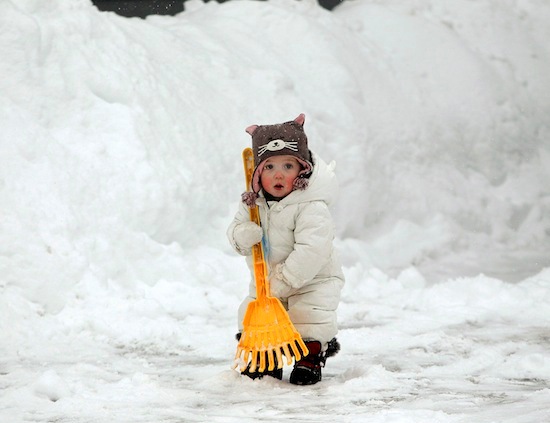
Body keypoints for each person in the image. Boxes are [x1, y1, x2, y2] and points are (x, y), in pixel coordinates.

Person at [227, 113, 345, 385]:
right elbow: (234, 232)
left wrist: (285, 280)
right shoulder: (252, 203)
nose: (278, 174)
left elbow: (312, 251)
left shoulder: (311, 206)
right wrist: (243, 235)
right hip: (266, 279)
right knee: (252, 315)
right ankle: (266, 356)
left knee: (310, 317)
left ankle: (310, 357)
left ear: (302, 170)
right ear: (257, 172)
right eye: (269, 168)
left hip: (312, 280)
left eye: (287, 166)